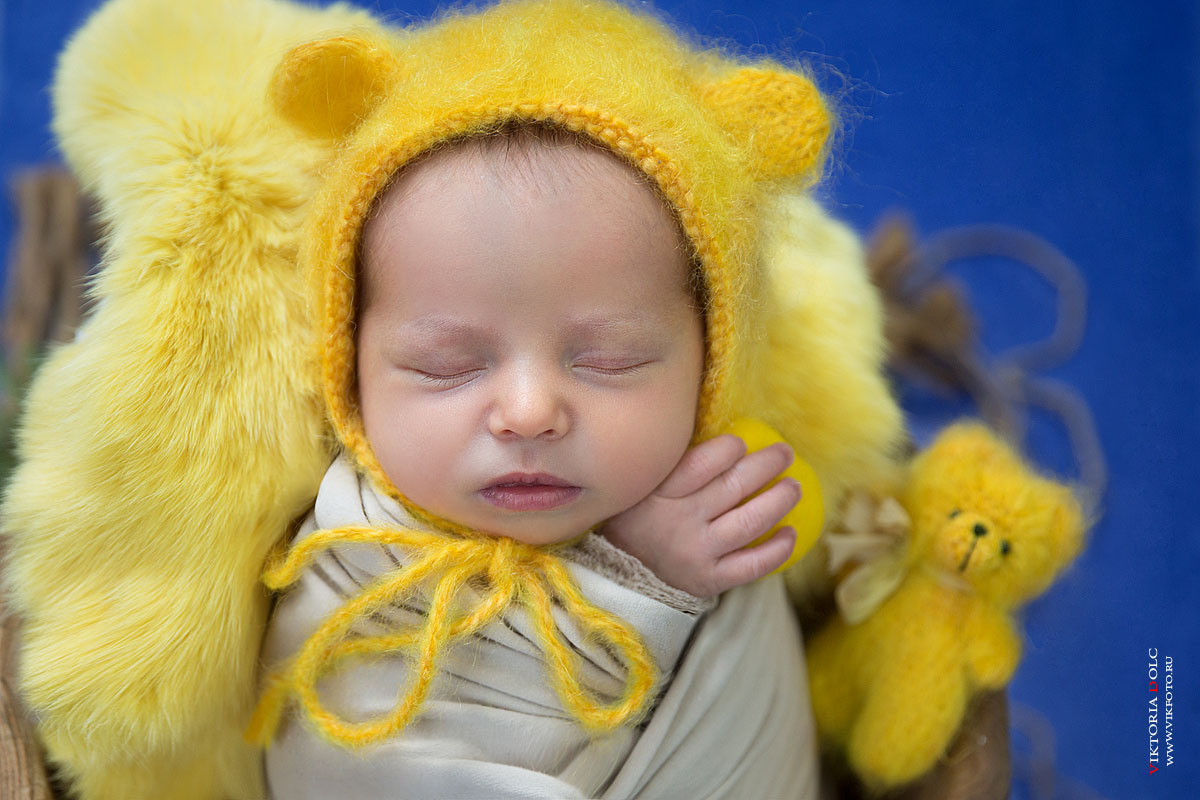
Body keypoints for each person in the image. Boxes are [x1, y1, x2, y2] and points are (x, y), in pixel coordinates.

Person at [5, 0, 904, 796]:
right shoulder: (356, 571)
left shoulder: (725, 480)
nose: (528, 411)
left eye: (613, 358)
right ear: (349, 370)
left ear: (714, 362)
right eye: (444, 365)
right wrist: (637, 583)